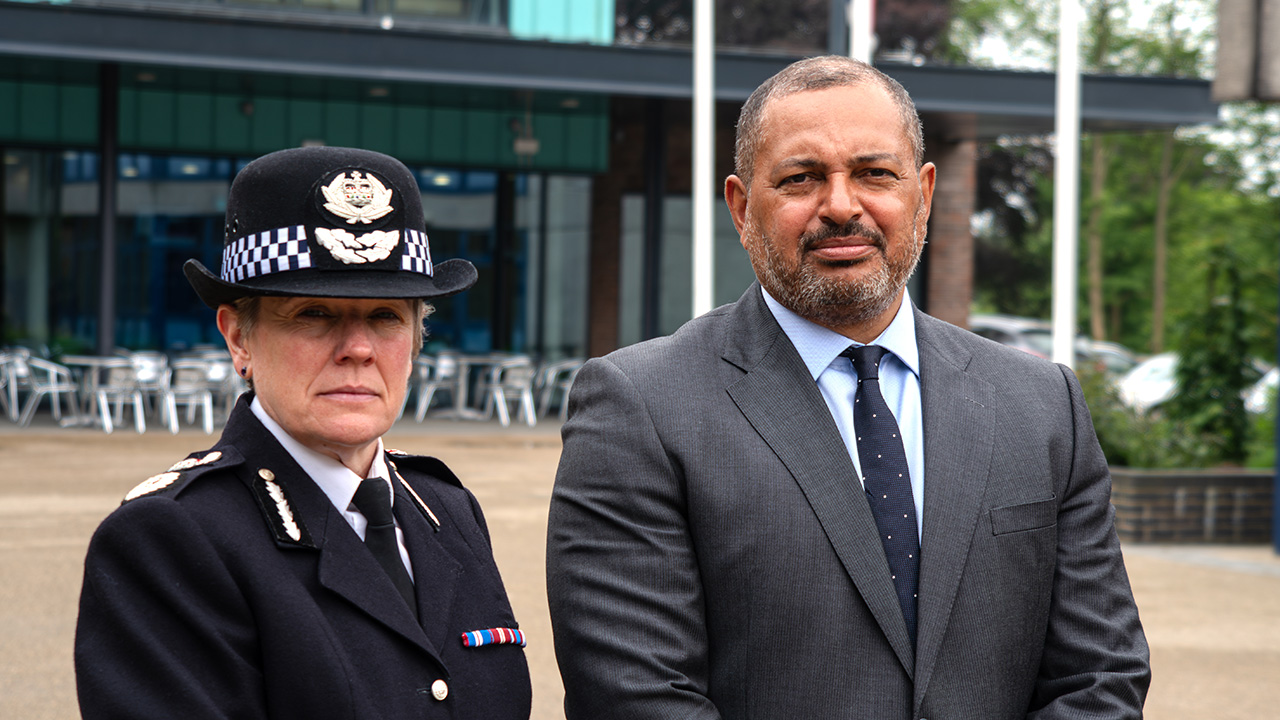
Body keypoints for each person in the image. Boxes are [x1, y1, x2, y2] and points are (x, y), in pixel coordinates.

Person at [546, 56, 1150, 719]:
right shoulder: (642, 408)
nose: (840, 205)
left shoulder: (1042, 407)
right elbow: (635, 700)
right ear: (742, 207)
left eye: (874, 174)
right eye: (801, 178)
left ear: (921, 194)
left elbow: (1101, 680)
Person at [75, 146, 531, 720]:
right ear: (239, 338)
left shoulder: (447, 510)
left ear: (417, 340)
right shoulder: (172, 537)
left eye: (386, 317)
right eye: (314, 314)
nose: (358, 350)